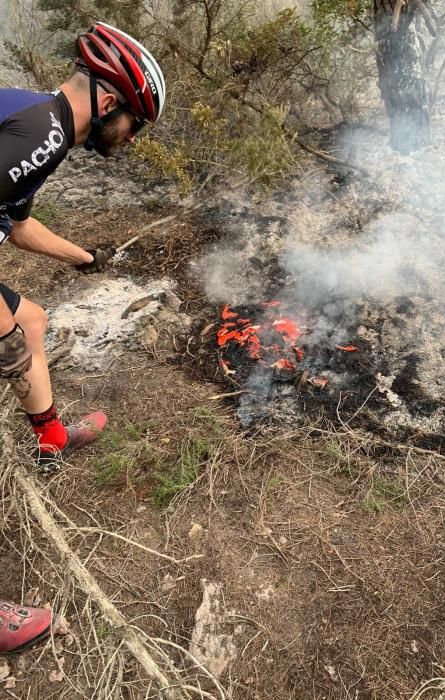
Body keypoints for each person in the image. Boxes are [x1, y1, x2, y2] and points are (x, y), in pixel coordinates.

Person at [0, 22, 166, 655]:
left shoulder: (37, 125)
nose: (130, 137)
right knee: (13, 335)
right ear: (107, 102)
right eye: (134, 123)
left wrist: (83, 258)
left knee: (33, 322)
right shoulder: (42, 132)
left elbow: (14, 224)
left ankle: (51, 438)